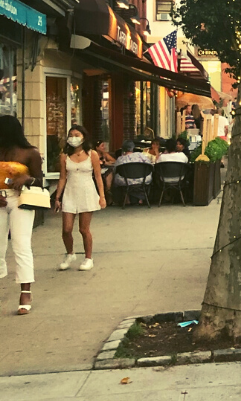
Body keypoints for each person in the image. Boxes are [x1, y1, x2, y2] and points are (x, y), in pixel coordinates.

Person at [0, 115, 44, 314]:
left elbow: (41, 182)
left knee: (21, 244)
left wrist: (27, 178)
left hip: (21, 199)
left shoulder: (29, 153)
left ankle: (25, 291)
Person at [55, 125, 105, 272]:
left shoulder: (92, 155)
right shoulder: (64, 156)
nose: (74, 138)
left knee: (84, 229)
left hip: (87, 192)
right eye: (71, 135)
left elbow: (98, 176)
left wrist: (102, 196)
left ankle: (88, 258)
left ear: (83, 137)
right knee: (66, 229)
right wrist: (57, 197)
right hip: (70, 192)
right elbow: (62, 178)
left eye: (77, 135)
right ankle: (70, 253)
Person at [112, 140, 152, 205]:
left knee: (117, 178)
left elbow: (115, 170)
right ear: (133, 147)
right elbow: (150, 165)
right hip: (142, 179)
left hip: (126, 181)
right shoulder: (140, 155)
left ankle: (126, 197)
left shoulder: (120, 159)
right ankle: (140, 198)